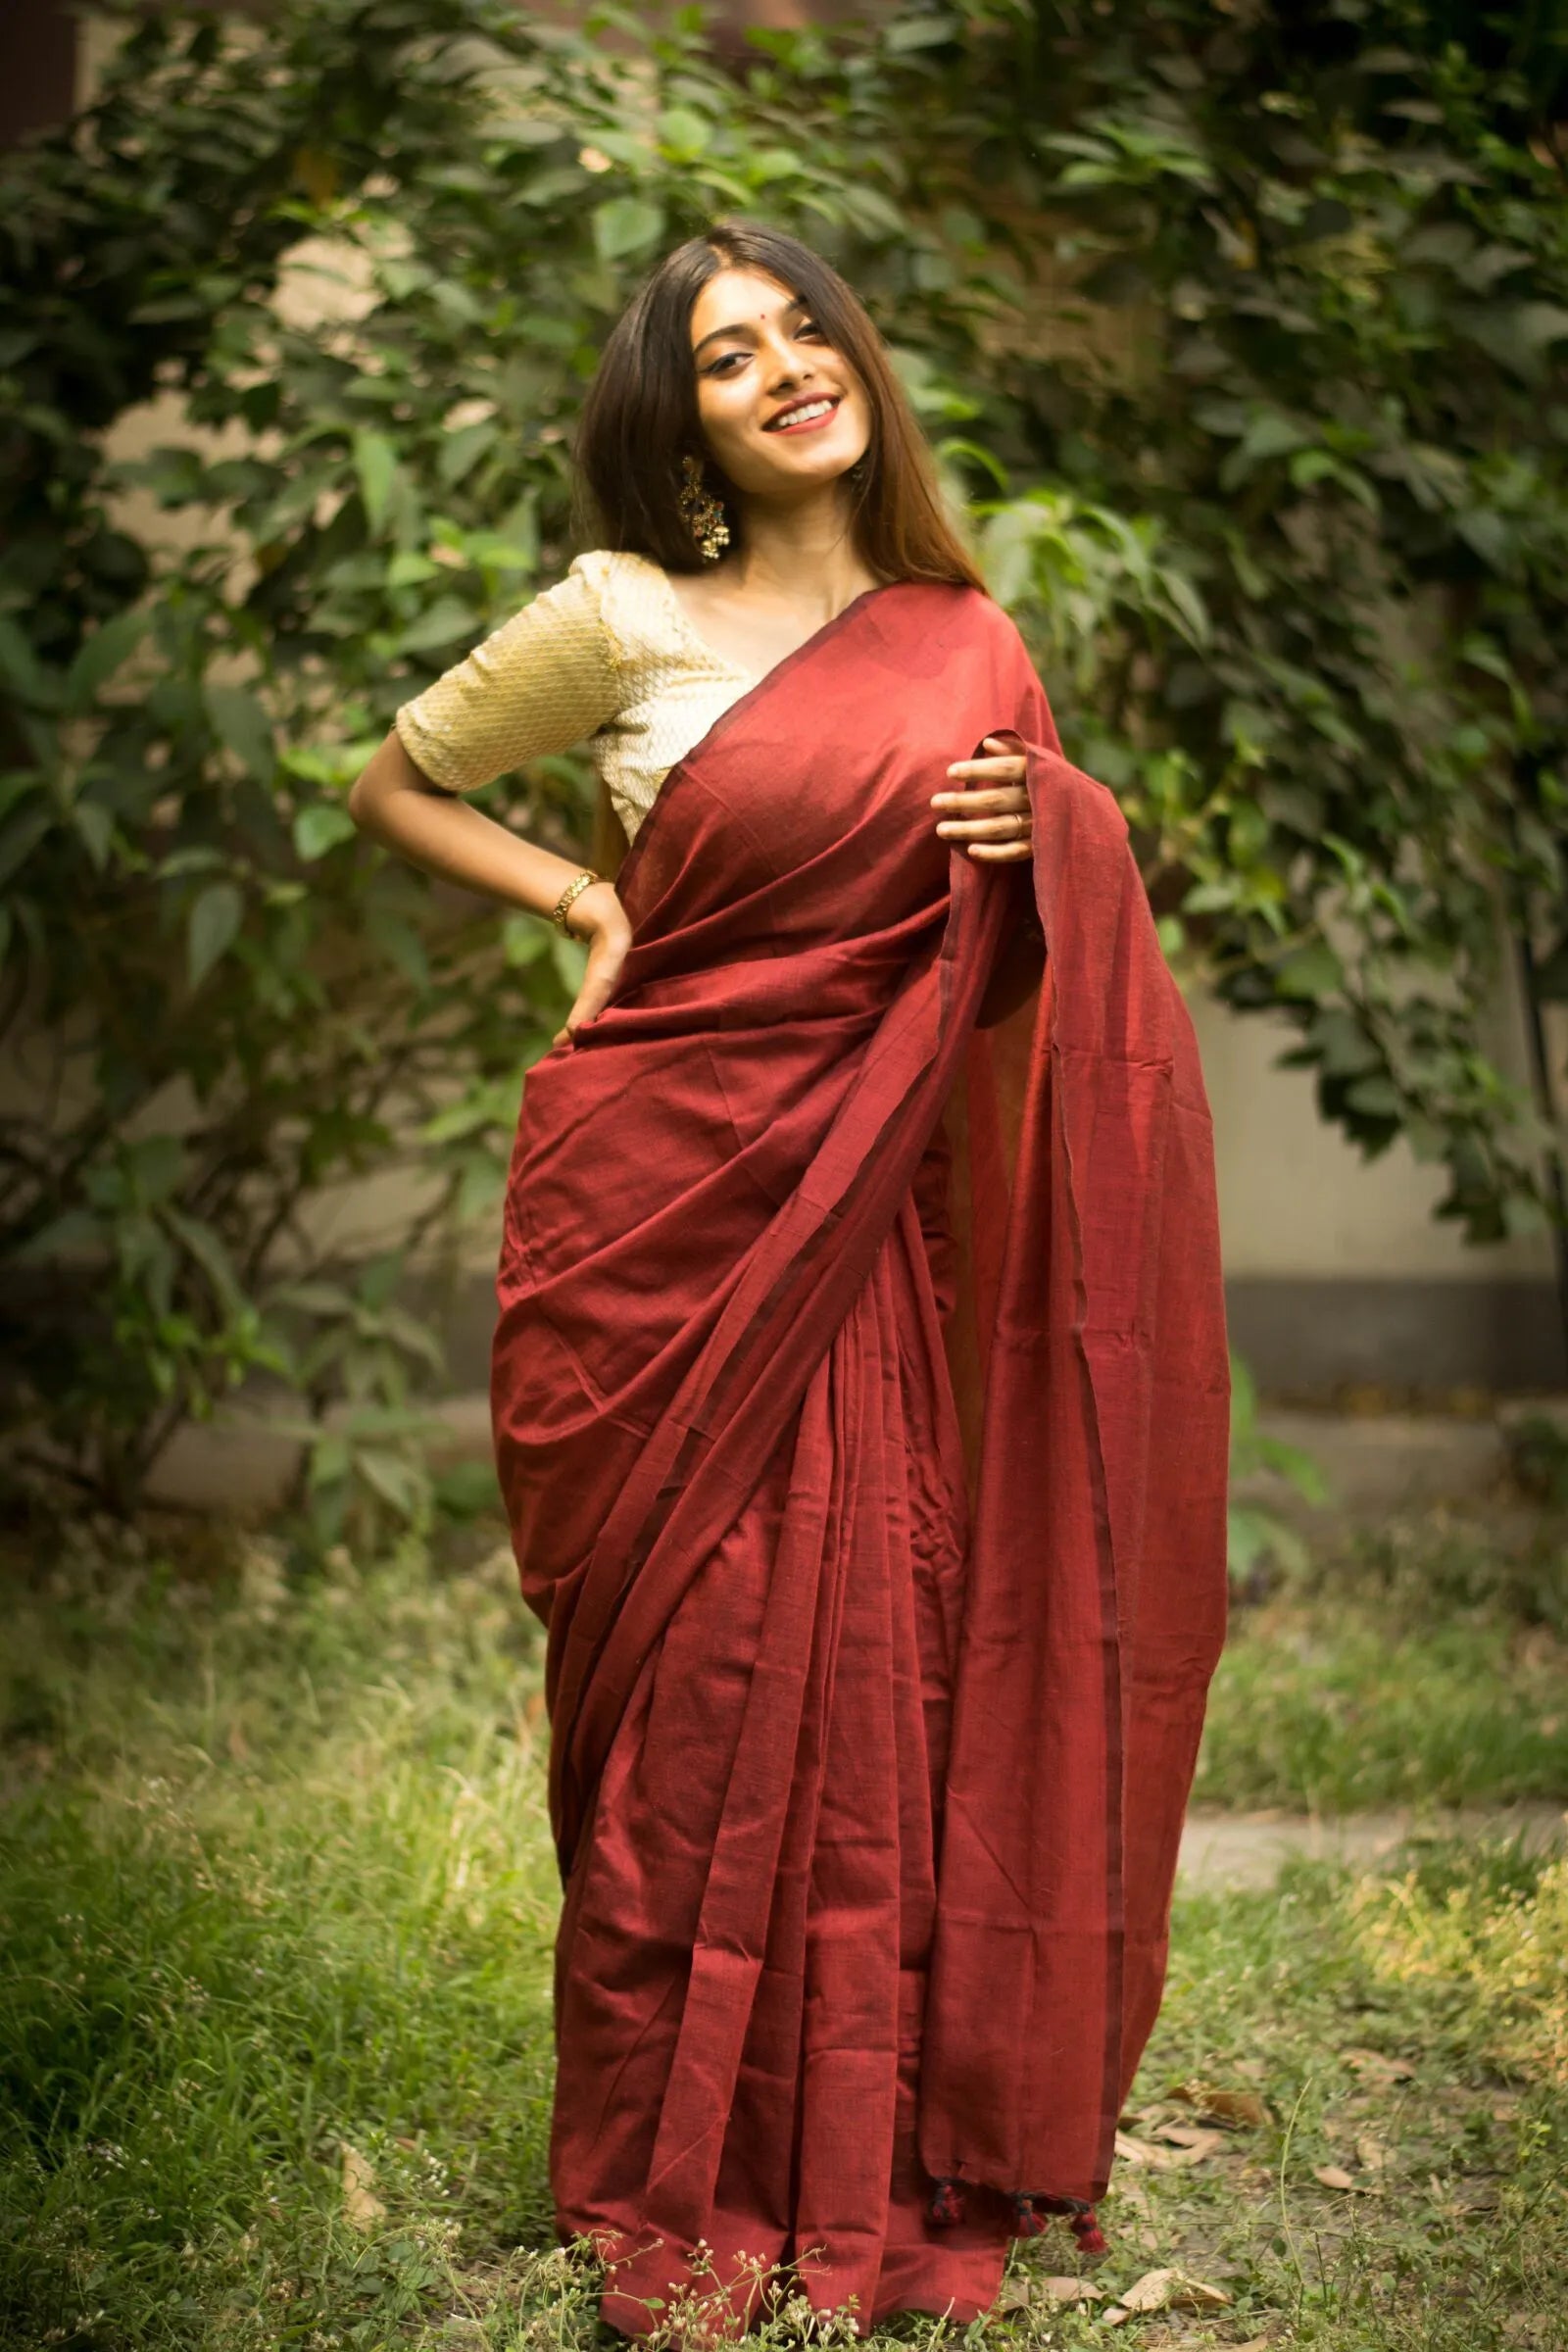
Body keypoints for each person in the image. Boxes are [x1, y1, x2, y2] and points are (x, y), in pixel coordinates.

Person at [348, 218, 1230, 2340]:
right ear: (685, 427)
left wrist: (1058, 845)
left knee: (872, 1660)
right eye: (724, 356)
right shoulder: (618, 614)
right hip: (654, 1209)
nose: (780, 367)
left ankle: (870, 2121)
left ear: (855, 359)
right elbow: (398, 781)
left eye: (800, 326)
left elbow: (1005, 994)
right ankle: (679, 2150)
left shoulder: (963, 637)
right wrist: (586, 901)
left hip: (866, 1250)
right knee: (690, 1682)